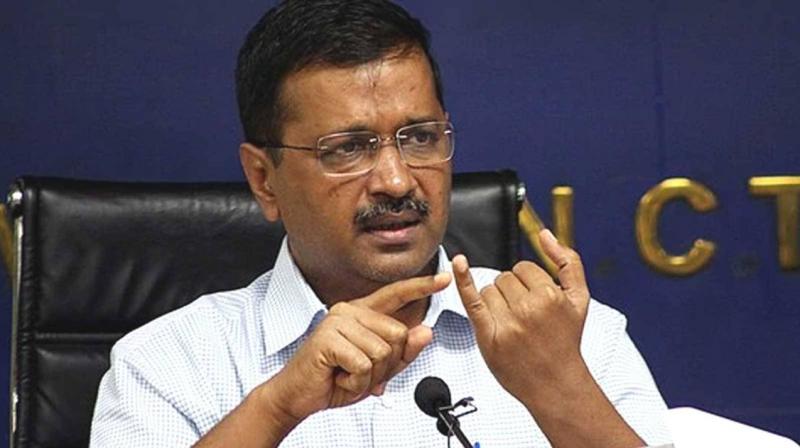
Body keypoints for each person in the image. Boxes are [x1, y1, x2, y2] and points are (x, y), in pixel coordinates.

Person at [89, 0, 672, 446]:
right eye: (348, 148)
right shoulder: (169, 363)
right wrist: (276, 408)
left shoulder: (569, 337)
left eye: (419, 138)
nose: (396, 181)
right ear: (264, 180)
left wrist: (559, 389)